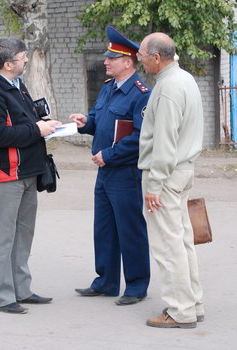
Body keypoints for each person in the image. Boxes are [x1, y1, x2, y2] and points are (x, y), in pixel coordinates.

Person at [0, 38, 61, 314]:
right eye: (23, 57)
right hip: (4, 174)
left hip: (27, 171)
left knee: (23, 235)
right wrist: (37, 131)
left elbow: (24, 121)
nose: (26, 60)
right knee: (1, 238)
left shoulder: (16, 85)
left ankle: (21, 289)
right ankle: (1, 296)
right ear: (8, 64)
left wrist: (41, 124)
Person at [69, 26, 151, 306]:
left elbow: (141, 139)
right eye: (107, 57)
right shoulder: (107, 89)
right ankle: (106, 281)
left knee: (130, 229)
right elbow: (98, 122)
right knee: (104, 227)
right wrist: (85, 123)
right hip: (104, 170)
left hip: (125, 171)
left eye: (112, 58)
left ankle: (137, 286)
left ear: (128, 62)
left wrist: (110, 155)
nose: (106, 61)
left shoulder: (141, 94)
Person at [137, 32, 204, 328]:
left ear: (156, 57)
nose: (139, 60)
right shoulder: (184, 79)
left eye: (141, 55)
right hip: (182, 170)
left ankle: (180, 310)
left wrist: (154, 186)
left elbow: (164, 142)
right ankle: (193, 303)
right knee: (183, 241)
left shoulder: (166, 88)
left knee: (168, 245)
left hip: (164, 175)